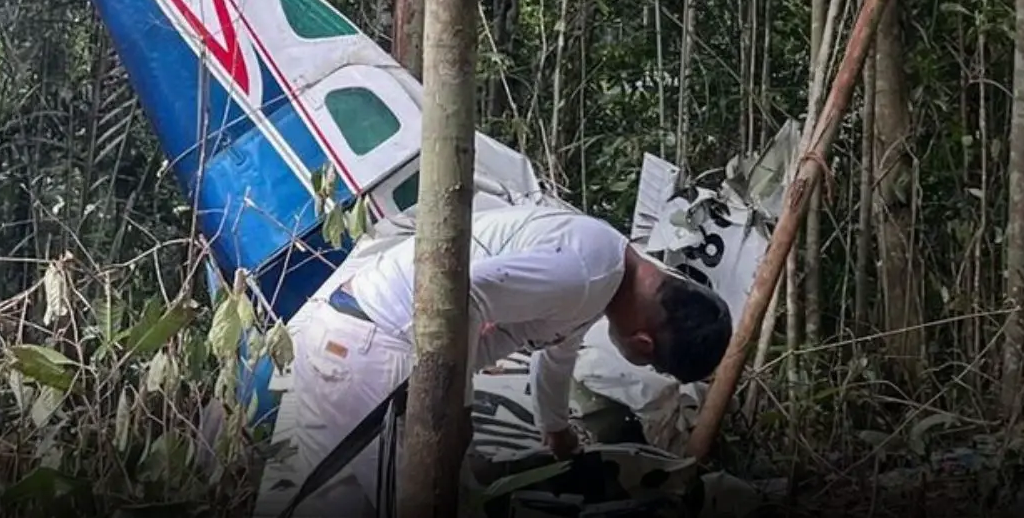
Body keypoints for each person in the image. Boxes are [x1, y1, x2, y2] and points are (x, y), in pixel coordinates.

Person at [255, 201, 734, 517]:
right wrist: (456, 411)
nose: (644, 367)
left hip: (358, 336)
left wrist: (557, 430)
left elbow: (558, 352)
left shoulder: (607, 266)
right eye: (653, 366)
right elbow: (462, 293)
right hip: (374, 349)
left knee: (340, 501)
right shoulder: (582, 275)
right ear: (644, 344)